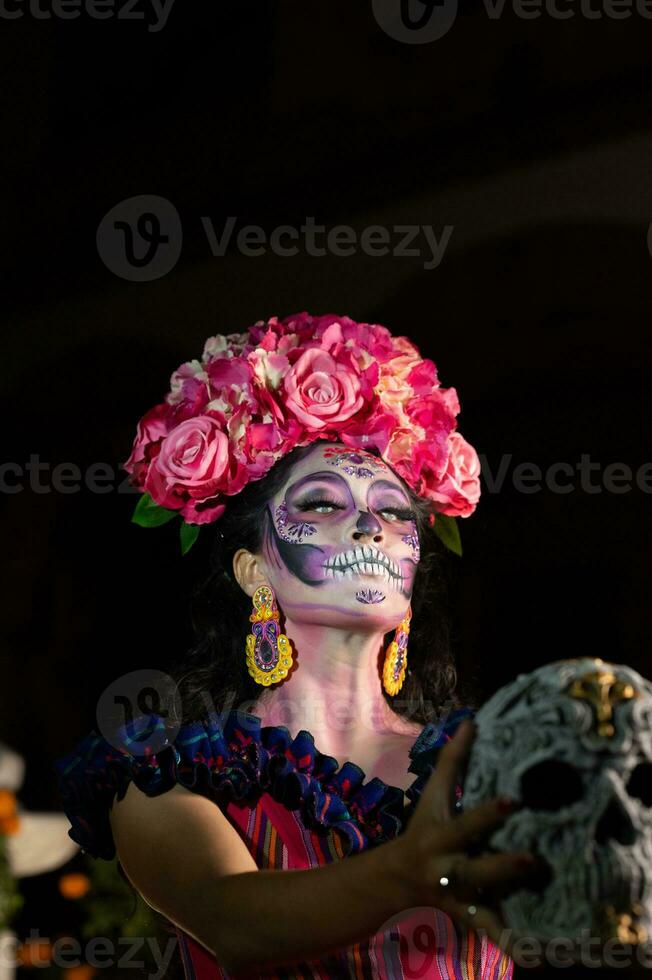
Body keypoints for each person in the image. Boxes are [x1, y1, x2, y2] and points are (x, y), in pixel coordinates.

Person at [55, 313, 543, 979]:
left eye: (395, 512)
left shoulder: (491, 761)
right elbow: (236, 922)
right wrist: (411, 867)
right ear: (255, 568)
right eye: (320, 505)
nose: (371, 527)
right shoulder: (164, 772)